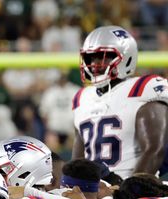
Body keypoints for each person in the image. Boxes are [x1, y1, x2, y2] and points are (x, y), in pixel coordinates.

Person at [72, 26, 168, 178]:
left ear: (127, 57)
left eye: (104, 56)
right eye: (91, 57)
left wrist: (128, 191)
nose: (95, 63)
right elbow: (77, 162)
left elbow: (155, 150)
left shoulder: (142, 89)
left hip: (132, 188)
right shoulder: (81, 97)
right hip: (91, 192)